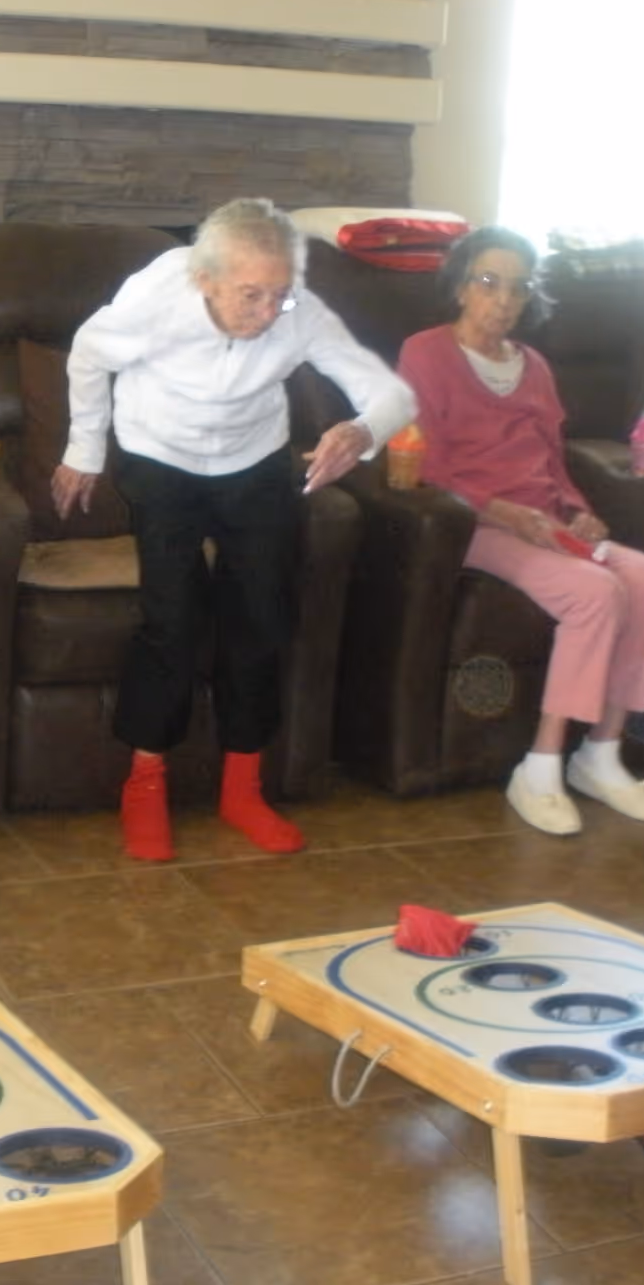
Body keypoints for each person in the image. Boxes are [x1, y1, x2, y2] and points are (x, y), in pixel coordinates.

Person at [54, 198, 414, 861]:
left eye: (278, 294)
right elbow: (87, 353)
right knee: (174, 618)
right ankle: (145, 781)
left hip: (252, 459)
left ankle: (242, 787)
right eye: (251, 295)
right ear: (206, 280)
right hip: (159, 453)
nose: (267, 311)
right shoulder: (158, 300)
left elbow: (393, 394)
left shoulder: (296, 310)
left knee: (263, 615)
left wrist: (362, 432)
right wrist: (84, 449)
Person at [397, 226, 644, 837]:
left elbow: (554, 462)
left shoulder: (537, 366)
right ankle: (541, 765)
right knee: (596, 592)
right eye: (489, 283)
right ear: (461, 286)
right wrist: (504, 512)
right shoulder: (426, 353)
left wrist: (577, 509)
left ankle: (600, 754)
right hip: (473, 521)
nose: (503, 300)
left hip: (544, 521)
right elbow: (430, 466)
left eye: (518, 289)